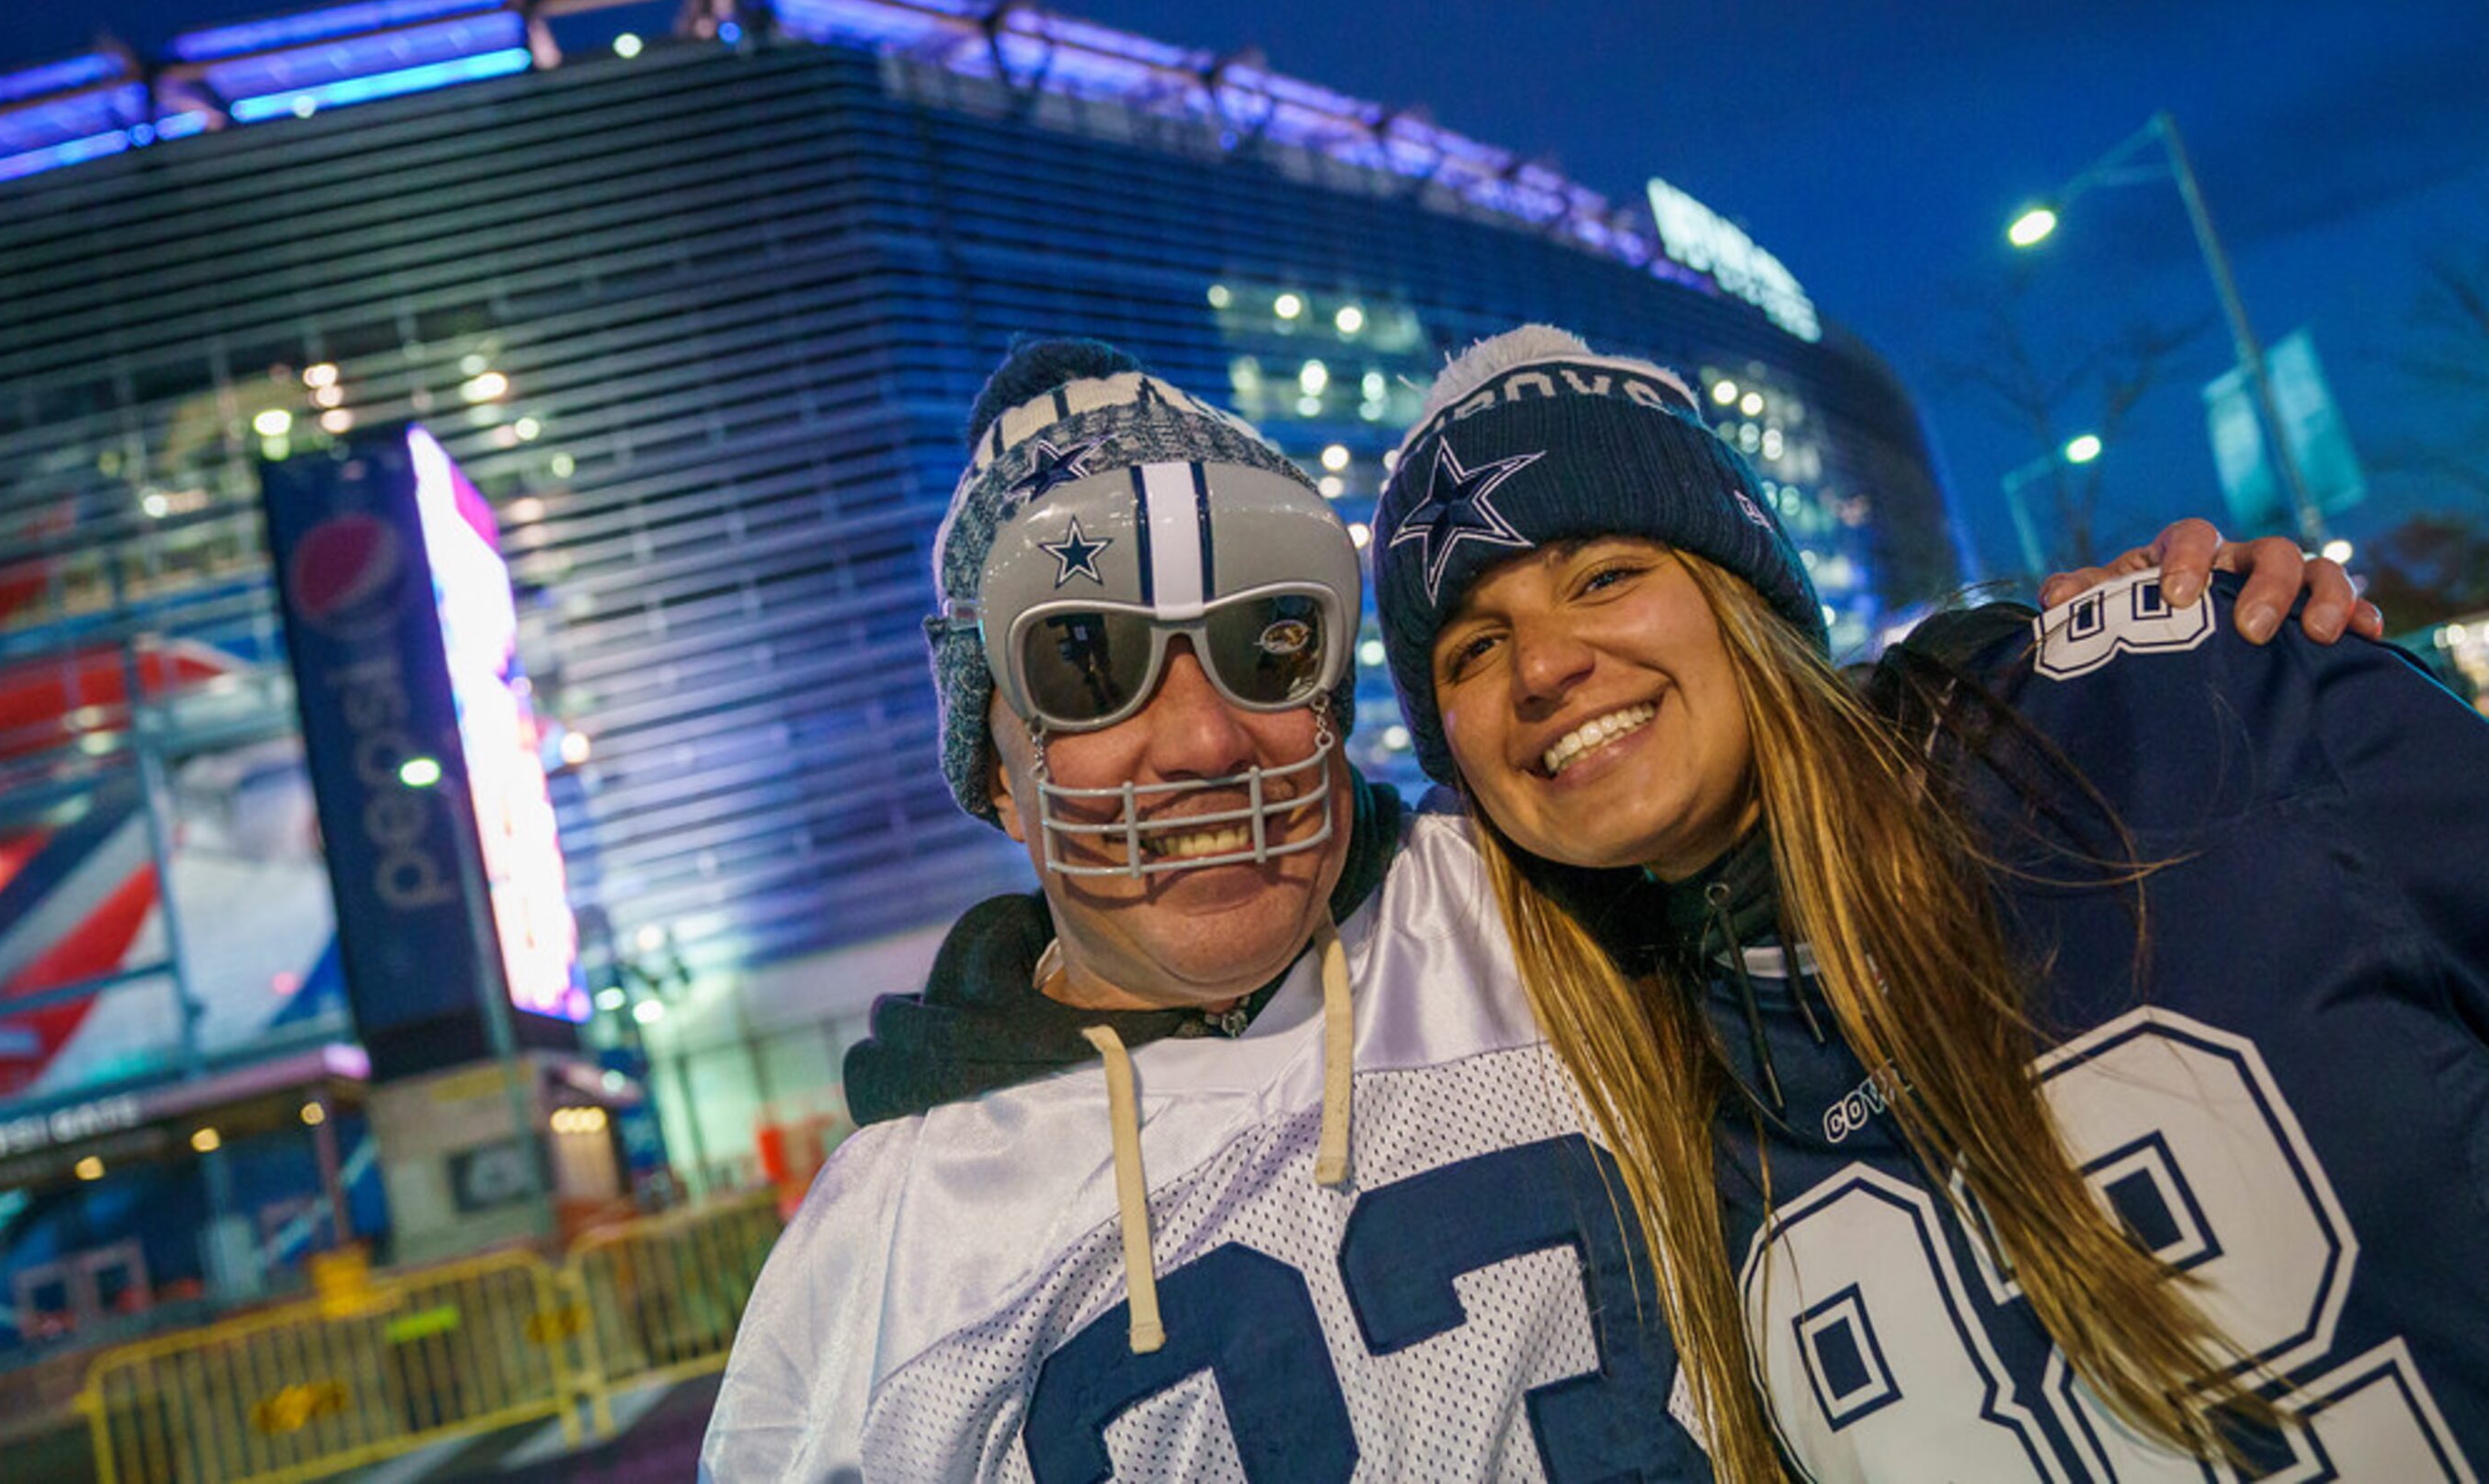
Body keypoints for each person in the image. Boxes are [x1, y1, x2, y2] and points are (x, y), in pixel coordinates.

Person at [701, 334, 2370, 1481]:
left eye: (1266, 645)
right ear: (991, 768)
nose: (1204, 736)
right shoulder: (878, 1263)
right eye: (1091, 662)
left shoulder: (1538, 901)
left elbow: (1778, 743)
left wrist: (2104, 661)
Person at [1369, 323, 2488, 1481]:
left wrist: (2192, 641)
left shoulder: (2178, 718)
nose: (1540, 668)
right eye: (1470, 650)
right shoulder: (1604, 1080)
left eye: (1602, 577)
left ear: (1743, 590)